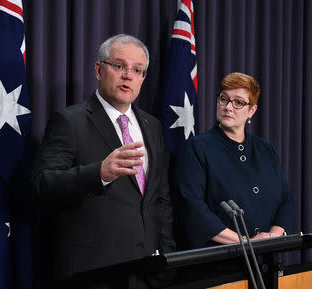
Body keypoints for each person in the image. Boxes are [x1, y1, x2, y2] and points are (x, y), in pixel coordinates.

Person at [30, 34, 175, 287]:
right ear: (99, 70)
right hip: (94, 273)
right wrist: (99, 173)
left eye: (137, 69)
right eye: (119, 66)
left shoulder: (152, 125)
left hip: (146, 271)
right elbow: (42, 184)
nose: (128, 75)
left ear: (143, 78)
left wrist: (167, 256)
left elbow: (159, 197)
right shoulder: (69, 121)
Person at [172, 72, 293, 249]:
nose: (228, 107)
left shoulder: (266, 149)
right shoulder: (196, 148)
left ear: (252, 110)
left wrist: (274, 237)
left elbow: (286, 200)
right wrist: (246, 242)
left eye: (238, 102)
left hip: (266, 260)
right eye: (223, 99)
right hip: (219, 263)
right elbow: (192, 208)